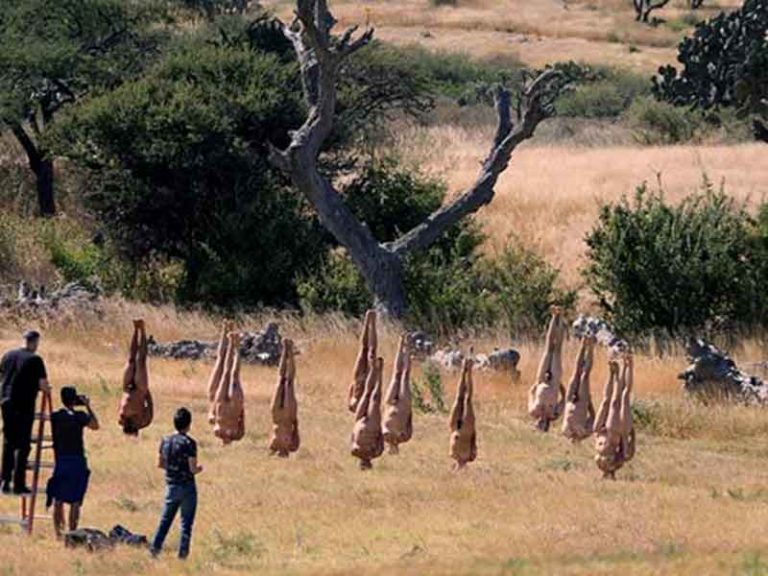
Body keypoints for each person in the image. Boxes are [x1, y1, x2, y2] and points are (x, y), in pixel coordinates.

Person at [0, 330, 51, 494]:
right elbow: (43, 384)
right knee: (23, 445)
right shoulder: (35, 360)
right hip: (23, 404)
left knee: (8, 442)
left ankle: (4, 481)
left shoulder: (7, 356)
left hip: (5, 402)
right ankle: (19, 483)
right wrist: (47, 390)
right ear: (34, 342)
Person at [47, 387, 99, 537]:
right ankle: (73, 532)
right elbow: (95, 425)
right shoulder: (80, 416)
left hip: (61, 460)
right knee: (75, 500)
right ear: (75, 400)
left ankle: (58, 533)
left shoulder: (55, 417)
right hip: (77, 460)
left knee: (58, 499)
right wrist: (87, 405)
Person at [150, 408, 202, 559]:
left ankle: (154, 550)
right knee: (186, 525)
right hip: (187, 487)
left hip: (171, 486)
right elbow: (192, 468)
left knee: (165, 521)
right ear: (188, 424)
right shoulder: (190, 443)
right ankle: (182, 556)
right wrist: (198, 469)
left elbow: (160, 463)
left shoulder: (165, 441)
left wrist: (173, 468)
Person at [528, 307, 567, 432]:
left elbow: (530, 394)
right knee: (557, 350)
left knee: (548, 348)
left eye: (538, 425)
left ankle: (554, 316)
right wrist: (559, 386)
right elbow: (564, 401)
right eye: (542, 426)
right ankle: (560, 319)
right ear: (546, 426)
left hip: (541, 380)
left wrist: (537, 384)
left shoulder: (533, 411)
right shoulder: (554, 414)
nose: (540, 423)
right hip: (554, 383)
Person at [118, 319, 153, 435]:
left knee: (131, 359)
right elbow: (150, 407)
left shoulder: (121, 421)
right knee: (140, 361)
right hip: (139, 389)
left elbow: (120, 406)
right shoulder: (143, 421)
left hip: (127, 388)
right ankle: (142, 330)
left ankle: (136, 329)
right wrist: (145, 392)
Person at [350, 355, 384, 470]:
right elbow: (381, 440)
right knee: (375, 398)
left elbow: (352, 438)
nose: (364, 463)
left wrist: (355, 427)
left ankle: (373, 368)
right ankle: (379, 372)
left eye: (362, 465)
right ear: (370, 464)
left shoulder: (354, 452)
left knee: (366, 394)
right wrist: (378, 426)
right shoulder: (375, 453)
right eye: (366, 465)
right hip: (372, 426)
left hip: (359, 422)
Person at [561, 335, 596, 442]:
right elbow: (594, 418)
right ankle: (591, 347)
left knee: (576, 372)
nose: (573, 442)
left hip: (569, 401)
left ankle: (583, 344)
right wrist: (589, 403)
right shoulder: (585, 432)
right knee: (584, 376)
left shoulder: (564, 432)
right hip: (582, 403)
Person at [382, 334, 413, 455]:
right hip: (403, 407)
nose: (392, 449)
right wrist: (409, 409)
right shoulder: (404, 438)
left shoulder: (382, 437)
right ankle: (408, 347)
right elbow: (410, 425)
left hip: (389, 404)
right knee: (404, 376)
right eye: (394, 451)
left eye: (391, 451)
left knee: (396, 376)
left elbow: (379, 420)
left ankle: (400, 346)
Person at [212, 332, 245, 445]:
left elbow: (214, 414)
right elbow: (242, 421)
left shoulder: (217, 433)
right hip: (233, 406)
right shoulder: (237, 435)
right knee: (234, 374)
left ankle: (231, 342)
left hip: (221, 403)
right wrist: (240, 407)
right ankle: (237, 347)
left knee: (226, 373)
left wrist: (213, 407)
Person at [268, 339, 300, 457]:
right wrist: (294, 418)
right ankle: (289, 350)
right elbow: (297, 432)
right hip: (287, 417)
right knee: (288, 383)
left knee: (281, 381)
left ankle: (285, 349)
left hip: (276, 415)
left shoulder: (273, 445)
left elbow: (269, 441)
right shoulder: (292, 446)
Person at [449, 358, 477, 470]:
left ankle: (464, 370)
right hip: (467, 430)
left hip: (454, 428)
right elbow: (474, 444)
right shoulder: (470, 457)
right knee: (467, 400)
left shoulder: (452, 455)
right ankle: (468, 371)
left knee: (459, 398)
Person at [349, 310, 376, 413]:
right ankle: (372, 322)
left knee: (363, 349)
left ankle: (367, 320)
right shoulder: (367, 405)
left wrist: (354, 382)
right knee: (371, 352)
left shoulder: (353, 404)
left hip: (358, 379)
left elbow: (351, 389)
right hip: (368, 379)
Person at [207, 320, 234, 425]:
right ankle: (228, 332)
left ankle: (226, 330)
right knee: (224, 363)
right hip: (222, 394)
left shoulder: (215, 419)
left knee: (221, 360)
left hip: (213, 393)